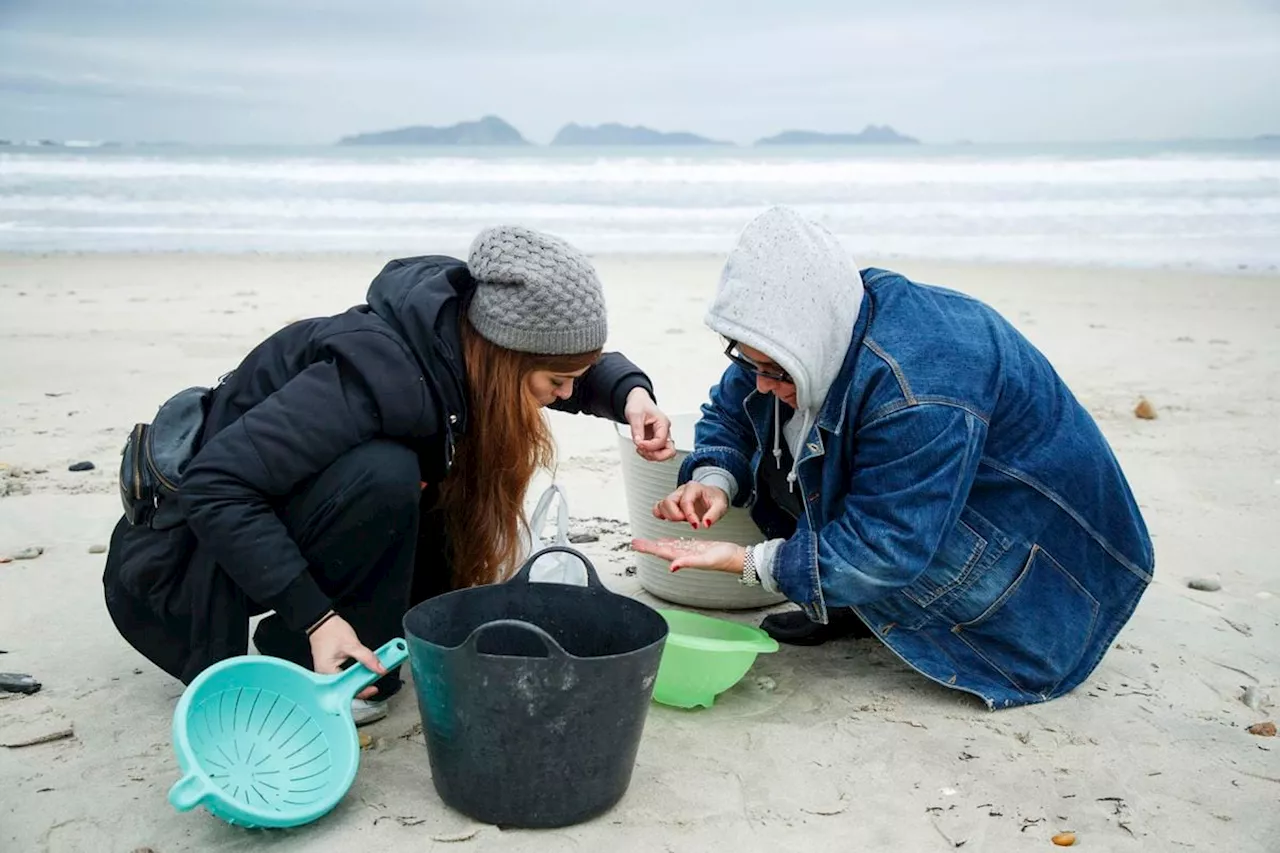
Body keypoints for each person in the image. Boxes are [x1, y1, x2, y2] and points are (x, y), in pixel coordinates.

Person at [104, 225, 674, 724]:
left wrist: (630, 396)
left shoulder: (458, 343)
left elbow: (569, 363)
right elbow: (216, 487)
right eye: (556, 384)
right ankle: (307, 643)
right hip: (181, 572)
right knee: (387, 471)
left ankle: (317, 634)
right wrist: (318, 618)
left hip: (282, 517)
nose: (567, 395)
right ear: (505, 359)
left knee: (402, 632)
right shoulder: (374, 375)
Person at [634, 207, 1153, 709]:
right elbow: (732, 407)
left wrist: (746, 562)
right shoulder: (800, 333)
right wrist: (714, 478)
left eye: (778, 370)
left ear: (811, 340)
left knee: (875, 539)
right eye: (752, 363)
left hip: (1046, 583)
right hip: (926, 502)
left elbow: (886, 544)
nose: (764, 382)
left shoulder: (919, 389)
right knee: (773, 423)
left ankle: (854, 593)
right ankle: (846, 601)